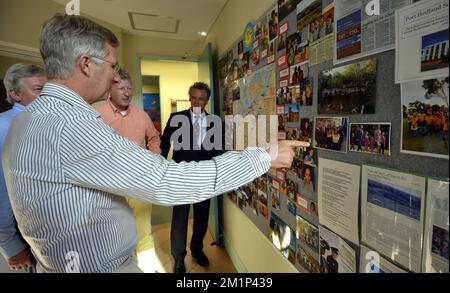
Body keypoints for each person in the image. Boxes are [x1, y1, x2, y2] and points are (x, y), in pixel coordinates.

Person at [2, 14, 307, 273]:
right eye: (111, 67)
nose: (113, 78)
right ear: (85, 63)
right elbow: (164, 179)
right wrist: (262, 157)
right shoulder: (70, 124)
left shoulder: (28, 119)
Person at [96, 68, 161, 273]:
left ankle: (147, 268)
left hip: (139, 182)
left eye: (129, 88)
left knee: (143, 231)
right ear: (109, 90)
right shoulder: (97, 115)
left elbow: (154, 138)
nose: (126, 92)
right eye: (121, 88)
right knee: (114, 232)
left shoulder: (142, 115)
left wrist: (154, 158)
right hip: (109, 186)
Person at [160, 82, 224, 273]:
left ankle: (197, 249)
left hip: (205, 177)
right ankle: (179, 258)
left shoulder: (215, 122)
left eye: (201, 98)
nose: (197, 101)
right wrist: (160, 166)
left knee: (202, 217)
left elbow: (220, 150)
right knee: (179, 218)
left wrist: (221, 172)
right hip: (181, 177)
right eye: (194, 97)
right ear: (190, 97)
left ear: (207, 100)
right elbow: (165, 144)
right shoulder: (176, 118)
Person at [0, 64, 46, 272]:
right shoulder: (4, 126)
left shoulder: (44, 122)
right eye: (38, 90)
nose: (47, 96)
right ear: (15, 94)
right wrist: (10, 244)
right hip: (24, 231)